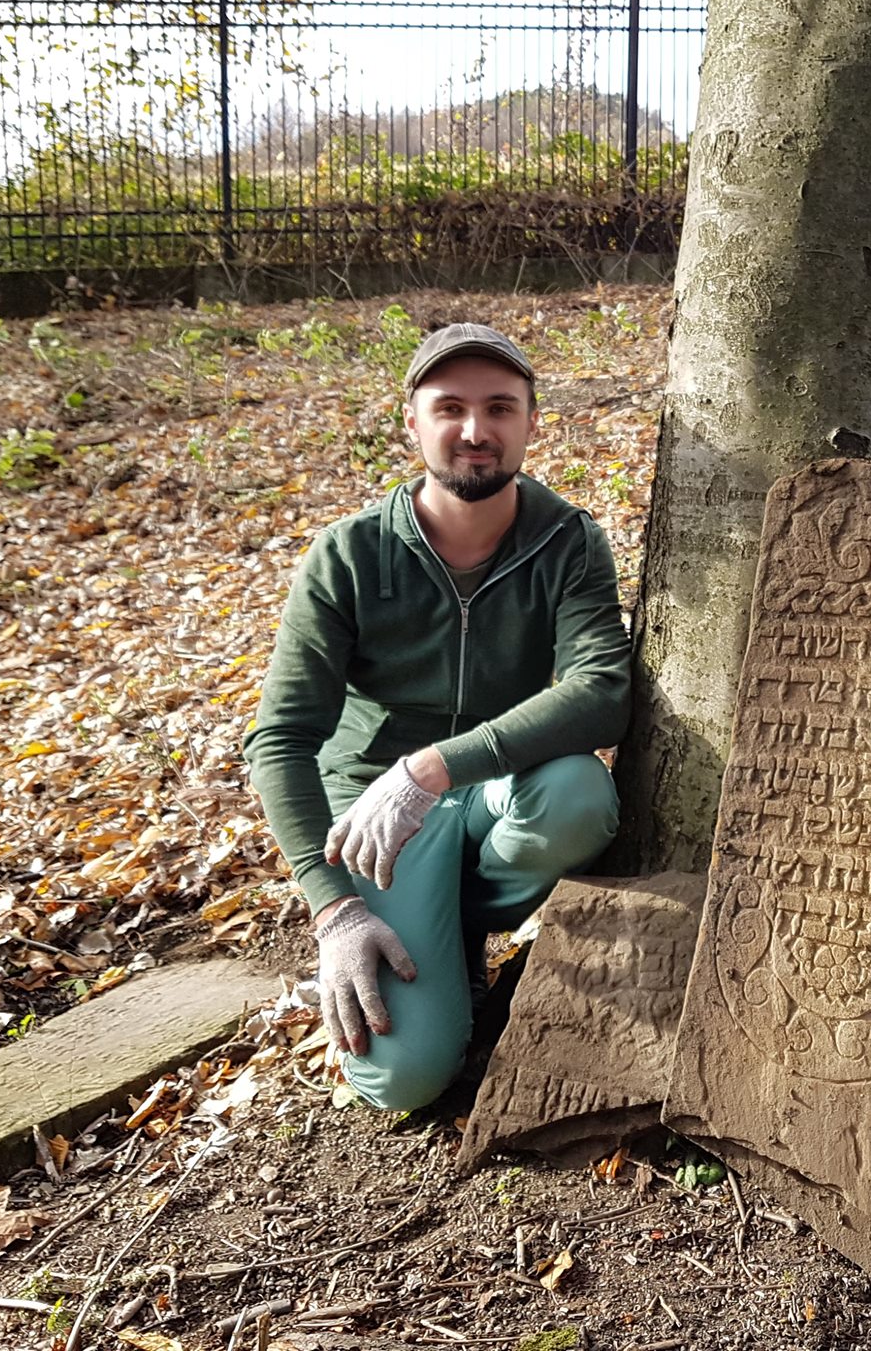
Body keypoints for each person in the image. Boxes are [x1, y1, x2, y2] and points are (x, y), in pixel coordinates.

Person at [244, 323, 630, 1110]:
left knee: (578, 793)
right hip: (376, 822)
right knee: (403, 1079)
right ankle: (422, 935)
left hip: (491, 788)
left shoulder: (566, 541)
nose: (475, 431)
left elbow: (602, 691)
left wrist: (432, 768)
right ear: (412, 423)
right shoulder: (350, 555)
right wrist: (334, 909)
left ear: (531, 422)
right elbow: (280, 739)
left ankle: (455, 928)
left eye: (500, 408)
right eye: (449, 408)